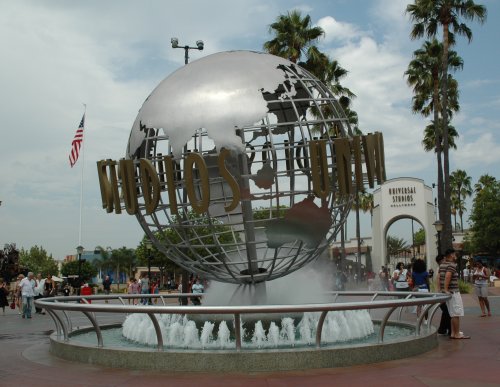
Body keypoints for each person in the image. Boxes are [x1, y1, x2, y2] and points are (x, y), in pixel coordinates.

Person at [437, 248, 469, 339]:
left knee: (452, 313)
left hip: (448, 292)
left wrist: (441, 289)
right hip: (453, 292)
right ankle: (456, 334)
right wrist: (446, 289)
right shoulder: (452, 265)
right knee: (456, 313)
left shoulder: (442, 264)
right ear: (451, 255)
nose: (456, 256)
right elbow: (448, 276)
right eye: (455, 254)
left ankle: (453, 333)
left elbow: (439, 278)